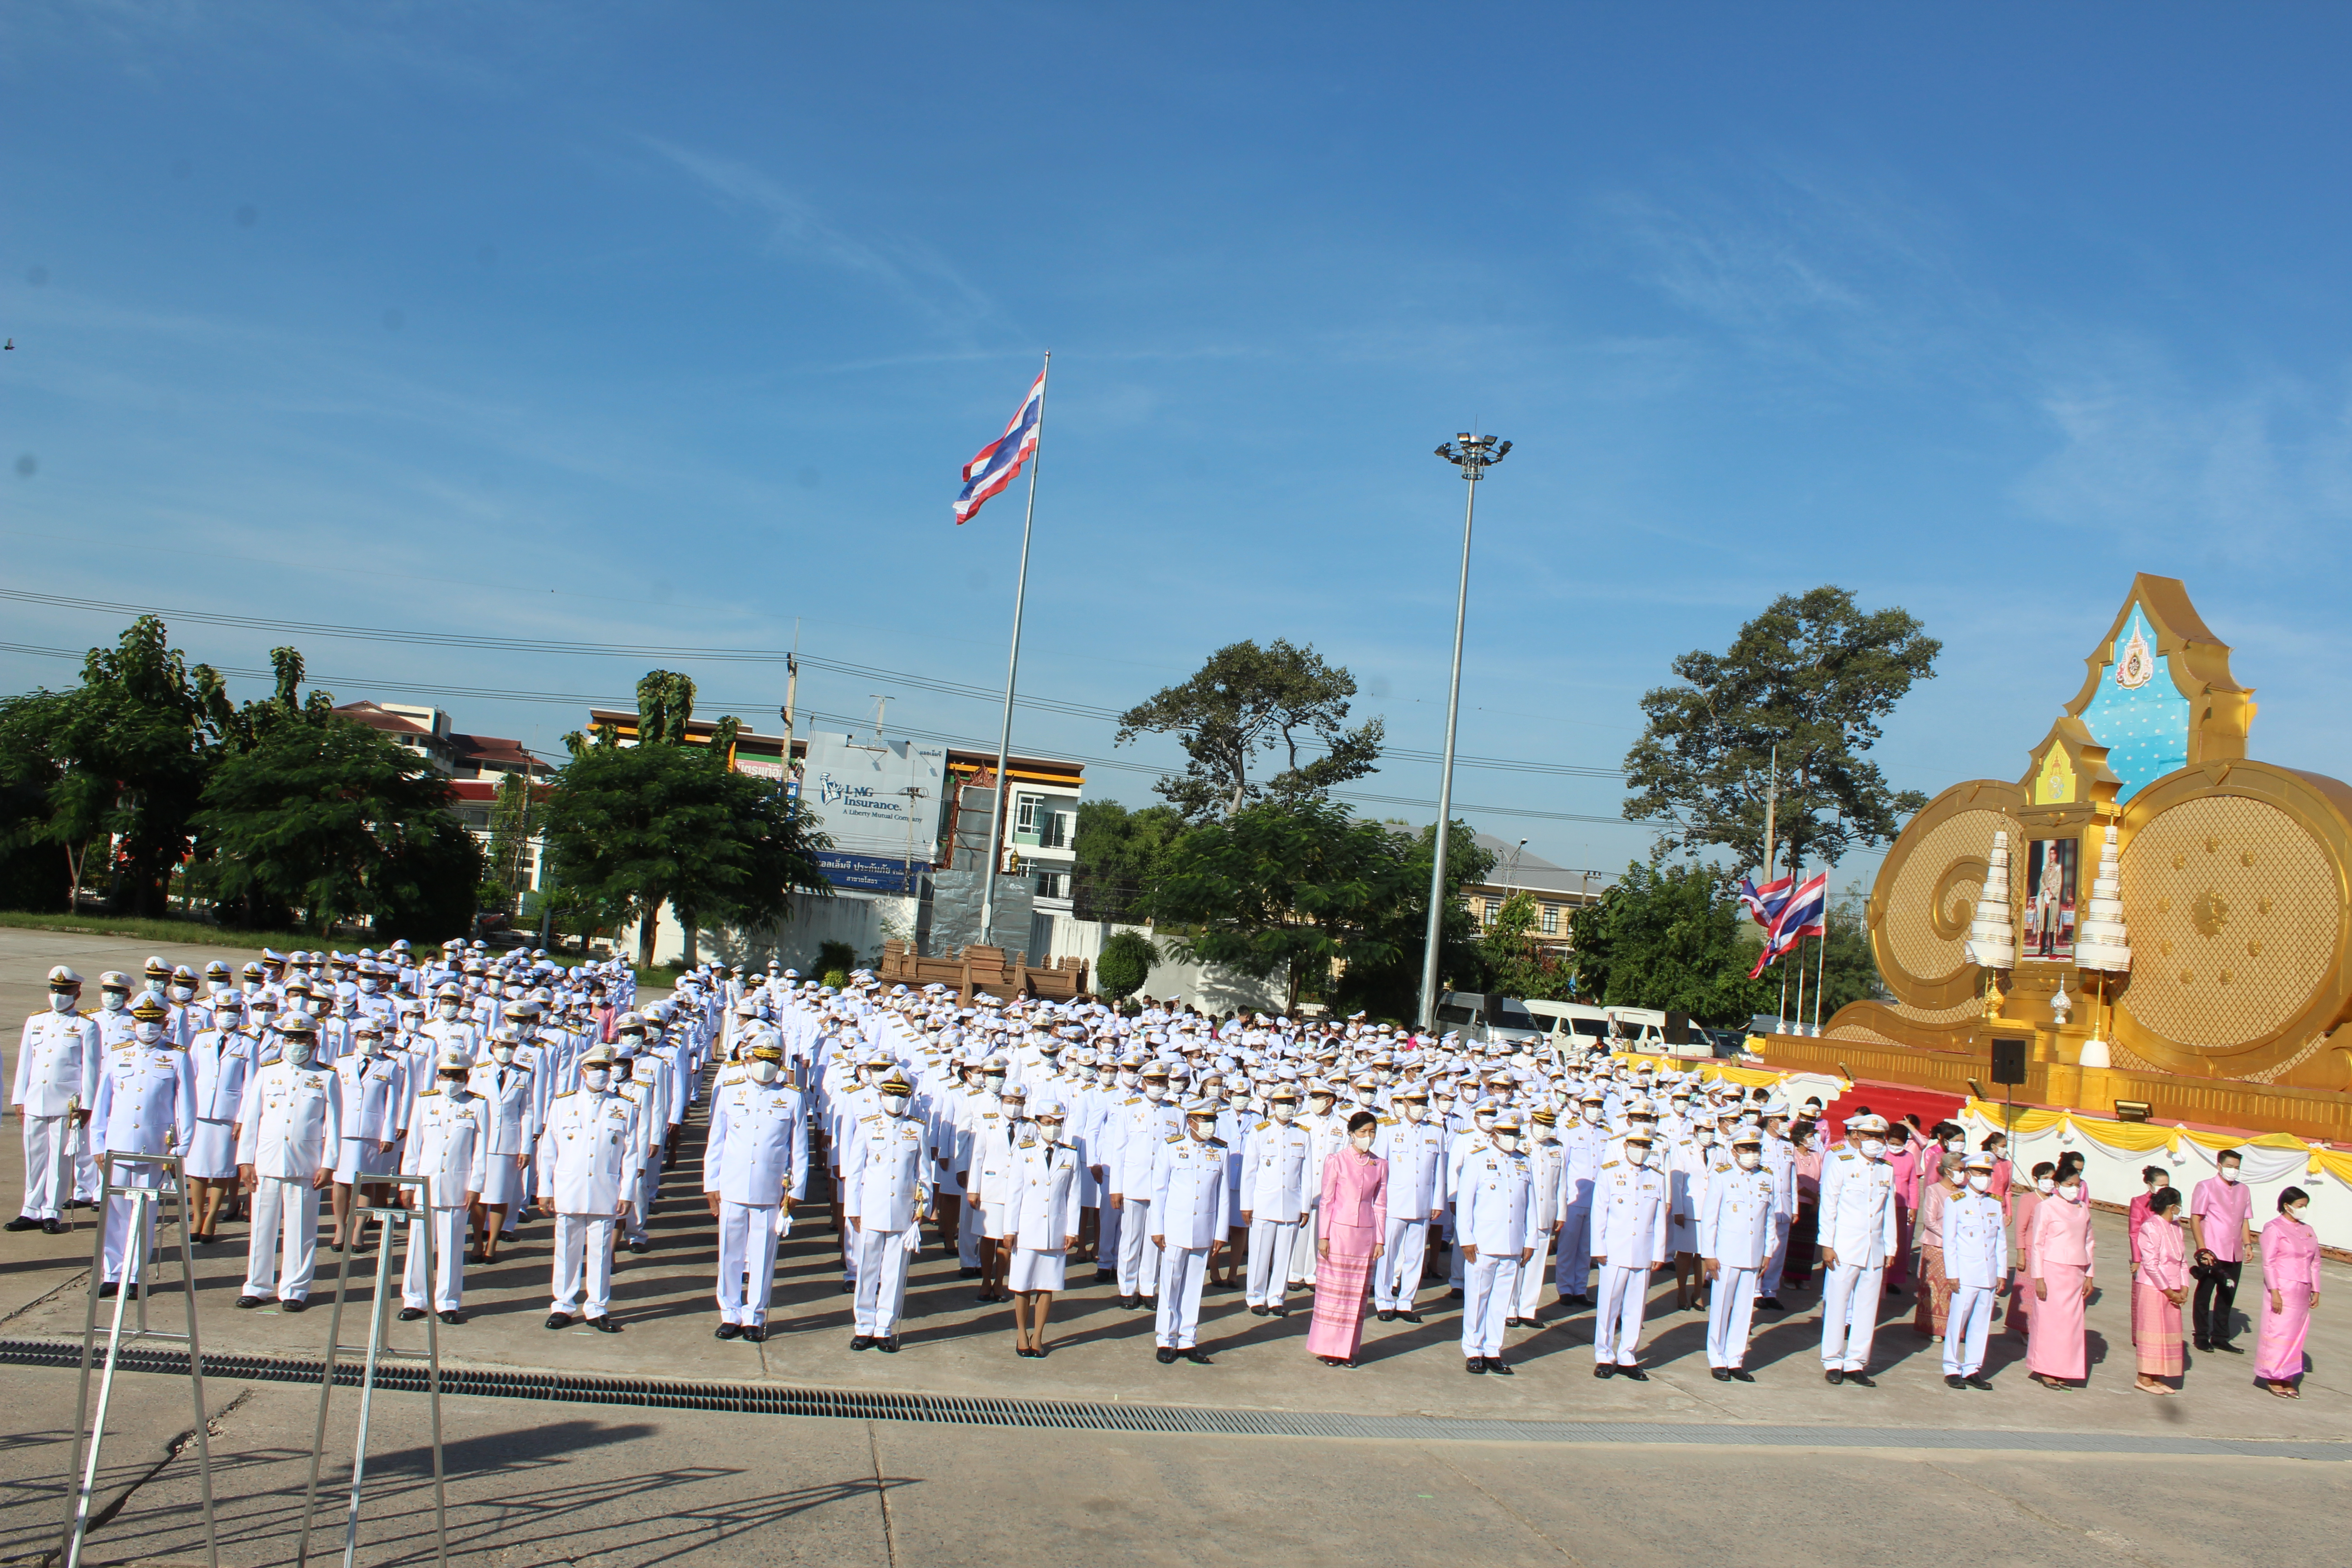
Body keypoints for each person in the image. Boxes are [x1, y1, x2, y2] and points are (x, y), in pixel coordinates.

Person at [89, 993, 196, 1298]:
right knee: (114, 1213)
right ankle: (112, 1273)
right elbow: (102, 1104)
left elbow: (186, 1107)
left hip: (155, 1150)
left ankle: (135, 1276)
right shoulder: (118, 1053)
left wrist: (180, 1150)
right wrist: (98, 1142)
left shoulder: (177, 1056)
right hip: (118, 1146)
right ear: (133, 1022)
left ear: (165, 1023)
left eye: (154, 1022)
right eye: (142, 1021)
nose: (148, 1027)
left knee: (145, 1214)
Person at [235, 1015, 343, 1312]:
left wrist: (329, 1164)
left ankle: (295, 1289)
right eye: (291, 1040)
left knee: (301, 1229)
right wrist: (245, 1160)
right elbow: (251, 1118)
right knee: (261, 1228)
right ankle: (256, 1286)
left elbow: (333, 1125)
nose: (296, 1046)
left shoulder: (326, 1076)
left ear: (314, 1043)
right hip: (266, 1161)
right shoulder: (268, 1072)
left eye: (302, 1040)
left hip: (305, 1163)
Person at [703, 1042, 807, 1343]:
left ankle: (755, 1316)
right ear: (748, 1060)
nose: (765, 1065)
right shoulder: (731, 1090)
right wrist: (712, 1185)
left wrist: (795, 1191)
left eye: (772, 1060)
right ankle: (730, 1313)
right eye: (759, 1058)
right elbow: (716, 1143)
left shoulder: (791, 1097)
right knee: (730, 1254)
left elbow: (798, 1149)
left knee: (762, 1256)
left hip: (770, 1189)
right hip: (732, 1186)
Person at [537, 1043, 641, 1333]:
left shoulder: (624, 1107)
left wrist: (627, 1193)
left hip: (605, 1189)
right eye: (595, 1068)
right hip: (569, 1188)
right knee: (567, 1249)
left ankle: (597, 1307)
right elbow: (548, 1151)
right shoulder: (563, 1104)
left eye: (606, 1068)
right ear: (583, 1071)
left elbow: (632, 1155)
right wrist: (545, 1190)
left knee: (600, 1252)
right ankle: (563, 1305)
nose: (602, 1073)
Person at [843, 1068, 930, 1352]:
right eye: (891, 1094)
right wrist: (852, 1208)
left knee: (894, 1273)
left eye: (901, 1095)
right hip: (871, 1208)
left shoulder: (917, 1128)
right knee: (867, 1269)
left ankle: (884, 1328)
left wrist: (922, 1207)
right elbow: (855, 1172)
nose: (896, 1099)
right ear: (881, 1095)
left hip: (902, 1212)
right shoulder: (867, 1125)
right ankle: (863, 1327)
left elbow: (924, 1174)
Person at [399, 1049, 487, 1324]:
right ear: (438, 1076)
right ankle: (415, 1300)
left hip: (457, 1184)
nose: (451, 1080)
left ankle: (448, 1302)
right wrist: (407, 1182)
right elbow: (413, 1146)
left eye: (457, 1076)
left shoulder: (478, 1105)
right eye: (446, 1075)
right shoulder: (425, 1102)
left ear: (467, 1077)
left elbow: (481, 1151)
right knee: (418, 1246)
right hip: (425, 1183)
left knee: (452, 1246)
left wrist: (476, 1185)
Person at [11, 967, 99, 1235]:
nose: (59, 996)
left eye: (65, 991)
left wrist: (86, 1106)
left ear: (78, 993)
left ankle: (52, 1211)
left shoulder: (86, 1026)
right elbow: (25, 1063)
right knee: (34, 1156)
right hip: (36, 1099)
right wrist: (19, 1099)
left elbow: (90, 1069)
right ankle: (31, 1209)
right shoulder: (36, 1021)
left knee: (60, 1162)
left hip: (66, 1103)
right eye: (55, 990)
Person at [1817, 1112, 1899, 1386]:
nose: (1875, 1141)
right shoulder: (1842, 1163)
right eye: (1869, 1136)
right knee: (1838, 1304)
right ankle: (1833, 1360)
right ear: (1857, 1137)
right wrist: (1826, 1244)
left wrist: (1891, 1246)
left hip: (1873, 1249)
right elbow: (1828, 1206)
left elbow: (1887, 1211)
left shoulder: (1887, 1169)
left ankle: (1856, 1363)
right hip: (1844, 1247)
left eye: (1879, 1137)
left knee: (1867, 1308)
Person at [1151, 1097, 1229, 1365]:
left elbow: (1223, 1195)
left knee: (1194, 1287)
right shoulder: (1172, 1147)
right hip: (1175, 1227)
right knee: (1171, 1284)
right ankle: (1166, 1339)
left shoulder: (1220, 1151)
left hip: (1204, 1228)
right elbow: (1159, 1190)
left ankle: (1187, 1340)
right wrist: (1157, 1227)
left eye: (1213, 1121)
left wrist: (1220, 1233)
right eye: (1206, 1121)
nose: (1210, 1126)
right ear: (1192, 1121)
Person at [1002, 1099, 1081, 1357]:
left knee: (1047, 1285)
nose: (1053, 1128)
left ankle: (1038, 1335)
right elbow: (1014, 1193)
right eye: (1048, 1123)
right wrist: (1009, 1230)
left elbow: (1074, 1196)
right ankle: (1022, 1334)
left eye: (1058, 1124)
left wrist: (1073, 1230)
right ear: (1038, 1124)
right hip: (1027, 1228)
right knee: (1023, 1285)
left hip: (1054, 1230)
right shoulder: (1023, 1152)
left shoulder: (1070, 1154)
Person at [1308, 1109, 1386, 1368]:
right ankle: (1329, 1348)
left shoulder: (1380, 1165)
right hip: (1339, 1233)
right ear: (1352, 1134)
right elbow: (1328, 1200)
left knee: (1356, 1295)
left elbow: (1381, 1205)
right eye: (1363, 1132)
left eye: (1372, 1132)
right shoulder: (1337, 1161)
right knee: (1334, 1293)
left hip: (1365, 1235)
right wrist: (1324, 1236)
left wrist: (1380, 1239)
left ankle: (1349, 1350)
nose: (1367, 1137)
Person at [1590, 1128, 1669, 1380]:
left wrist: (1659, 1251)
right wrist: (1598, 1247)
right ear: (1626, 1145)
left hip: (1643, 1251)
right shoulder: (1610, 1172)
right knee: (1609, 1305)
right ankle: (1604, 1355)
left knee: (1636, 1307)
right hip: (1615, 1249)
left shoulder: (1656, 1176)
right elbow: (1599, 1212)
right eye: (1637, 1143)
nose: (1642, 1149)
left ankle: (1628, 1355)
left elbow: (1659, 1219)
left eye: (1647, 1144)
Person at [1698, 1129, 1776, 1382]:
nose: (1752, 1154)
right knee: (1721, 1308)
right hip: (1726, 1254)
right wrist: (1709, 1254)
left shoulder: (1767, 1177)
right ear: (1734, 1152)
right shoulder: (1723, 1177)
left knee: (1744, 1311)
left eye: (1756, 1149)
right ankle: (1717, 1358)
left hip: (1753, 1253)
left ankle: (1736, 1360)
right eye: (1746, 1149)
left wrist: (1768, 1250)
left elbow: (1770, 1218)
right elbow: (1710, 1219)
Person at [1241, 1083, 1312, 1318]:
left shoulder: (1302, 1134)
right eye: (1282, 1104)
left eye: (1291, 1104)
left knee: (1284, 1257)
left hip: (1291, 1204)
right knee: (1261, 1253)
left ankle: (1277, 1298)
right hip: (1263, 1203)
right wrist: (1247, 1205)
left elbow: (1306, 1174)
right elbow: (1249, 1171)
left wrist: (1305, 1207)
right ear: (1272, 1105)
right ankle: (1256, 1296)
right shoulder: (1260, 1131)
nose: (1287, 1108)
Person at [1373, 1084, 1442, 1323]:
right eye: (1415, 1103)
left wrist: (1438, 1201)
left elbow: (1439, 1171)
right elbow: (1380, 1168)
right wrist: (1378, 1201)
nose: (1420, 1107)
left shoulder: (1436, 1131)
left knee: (1415, 1256)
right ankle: (1383, 1301)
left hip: (1422, 1203)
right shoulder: (1389, 1129)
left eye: (1424, 1102)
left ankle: (1406, 1303)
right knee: (1388, 1254)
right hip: (1394, 1202)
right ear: (1404, 1104)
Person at [2025, 1158, 2095, 1390]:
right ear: (2058, 1184)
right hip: (2053, 1270)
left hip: (2076, 1271)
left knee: (2071, 1324)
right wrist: (2040, 1278)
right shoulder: (2046, 1207)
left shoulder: (2082, 1208)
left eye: (2078, 1184)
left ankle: (2064, 1369)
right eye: (2069, 1184)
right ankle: (2045, 1369)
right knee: (2050, 1322)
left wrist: (2089, 1275)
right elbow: (2037, 1244)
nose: (2074, 1188)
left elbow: (2089, 1242)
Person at [1941, 1150, 2005, 1390]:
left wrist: (2001, 1273)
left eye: (1988, 1173)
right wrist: (1953, 1274)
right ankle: (1951, 1367)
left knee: (1981, 1323)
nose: (1985, 1177)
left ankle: (1972, 1368)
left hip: (1988, 1273)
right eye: (1980, 1172)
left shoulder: (1995, 1203)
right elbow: (1950, 1242)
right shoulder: (1956, 1201)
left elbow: (2000, 1240)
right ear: (1968, 1174)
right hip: (1966, 1273)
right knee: (1958, 1321)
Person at [2254, 1186, 2320, 1398]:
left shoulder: (2307, 1230)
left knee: (2296, 1334)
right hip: (2282, 1287)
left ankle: (2289, 1376)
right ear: (2287, 1206)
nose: (2303, 1210)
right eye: (2300, 1206)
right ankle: (2273, 1375)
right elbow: (2269, 1263)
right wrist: (2274, 1291)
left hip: (2302, 1288)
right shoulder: (2274, 1228)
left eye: (2305, 1206)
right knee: (2278, 1331)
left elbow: (2315, 1262)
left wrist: (2316, 1288)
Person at [2187, 1149, 2253, 1354]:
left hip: (2234, 1251)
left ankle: (2221, 1336)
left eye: (2237, 1167)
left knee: (2228, 1293)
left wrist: (2248, 1244)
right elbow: (2196, 1219)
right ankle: (2201, 1335)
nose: (2233, 1171)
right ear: (2220, 1166)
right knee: (2205, 1293)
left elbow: (2245, 1220)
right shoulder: (2206, 1187)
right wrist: (2202, 1249)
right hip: (2213, 1251)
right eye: (2230, 1166)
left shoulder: (2244, 1190)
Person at [2132, 1184, 2186, 1395]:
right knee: (2154, 1332)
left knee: (2168, 1333)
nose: (2180, 1210)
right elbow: (2151, 1264)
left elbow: (2182, 1260)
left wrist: (2184, 1288)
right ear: (2172, 1207)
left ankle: (2157, 1376)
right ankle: (2144, 1377)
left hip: (2173, 1287)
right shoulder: (2151, 1226)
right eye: (2179, 1206)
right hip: (2154, 1287)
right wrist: (2168, 1291)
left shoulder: (2177, 1227)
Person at [1911, 1152, 1962, 1337]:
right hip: (1937, 1244)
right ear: (1947, 1171)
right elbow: (1930, 1220)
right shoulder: (1934, 1190)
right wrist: (1950, 1236)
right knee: (1934, 1287)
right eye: (1959, 1170)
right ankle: (1933, 1327)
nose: (1963, 1174)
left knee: (1953, 1287)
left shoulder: (1962, 1192)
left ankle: (1952, 1326)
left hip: (1958, 1246)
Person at [2009, 1161, 2056, 1339]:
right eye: (2045, 1179)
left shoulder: (2056, 1200)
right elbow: (2021, 1229)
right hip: (2030, 1250)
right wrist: (2021, 1253)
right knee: (2029, 1292)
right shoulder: (2028, 1199)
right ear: (2036, 1180)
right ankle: (2026, 1329)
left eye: (2052, 1178)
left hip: (2049, 1252)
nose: (2049, 1182)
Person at [2127, 1164, 2167, 1271]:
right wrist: (2137, 1259)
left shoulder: (2170, 1202)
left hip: (2166, 1253)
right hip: (2147, 1252)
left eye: (2167, 1185)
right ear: (2150, 1185)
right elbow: (2134, 1232)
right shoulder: (2139, 1202)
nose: (2164, 1189)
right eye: (2161, 1185)